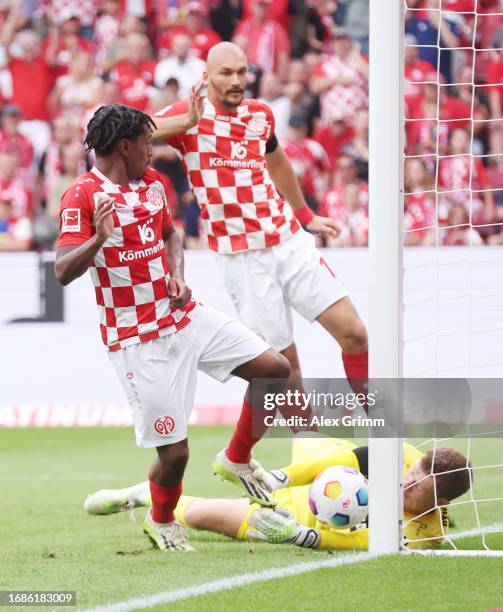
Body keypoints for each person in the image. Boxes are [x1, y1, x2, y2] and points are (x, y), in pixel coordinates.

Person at [54, 103, 292, 552]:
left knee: (274, 370)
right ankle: (160, 520)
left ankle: (237, 458)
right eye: (148, 142)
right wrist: (99, 238)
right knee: (175, 454)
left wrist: (177, 273)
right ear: (125, 146)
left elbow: (170, 235)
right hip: (136, 339)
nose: (154, 150)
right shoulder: (82, 195)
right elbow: (63, 270)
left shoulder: (155, 186)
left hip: (184, 316)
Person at [153, 42, 369, 426]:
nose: (236, 80)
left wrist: (304, 214)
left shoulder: (260, 114)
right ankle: (311, 448)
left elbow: (277, 159)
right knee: (286, 369)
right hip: (242, 257)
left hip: (287, 240)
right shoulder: (190, 118)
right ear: (207, 77)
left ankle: (384, 431)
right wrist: (183, 123)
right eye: (226, 73)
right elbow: (131, 130)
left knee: (354, 333)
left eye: (242, 71)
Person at [84, 436, 472, 551]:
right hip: (321, 474)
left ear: (440, 504)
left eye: (418, 484)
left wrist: (301, 536)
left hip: (293, 516)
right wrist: (276, 479)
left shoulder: (427, 535)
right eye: (413, 472)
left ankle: (139, 493)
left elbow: (365, 543)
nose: (407, 481)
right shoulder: (401, 456)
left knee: (201, 517)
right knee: (304, 433)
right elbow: (342, 458)